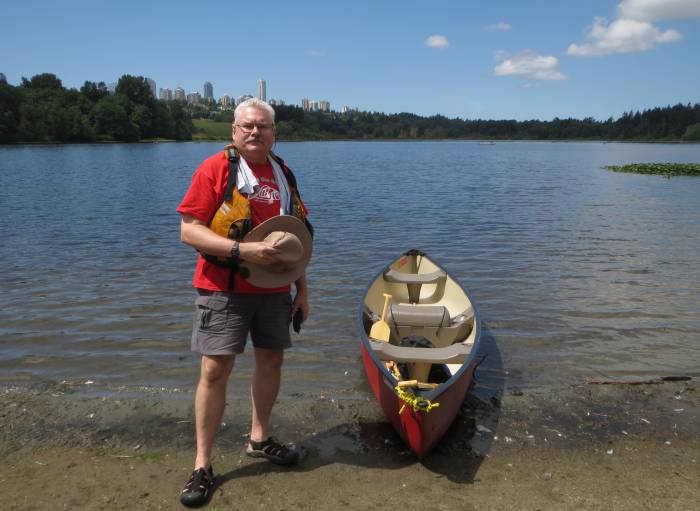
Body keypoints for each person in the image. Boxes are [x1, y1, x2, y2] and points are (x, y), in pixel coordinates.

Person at [176, 98, 312, 508]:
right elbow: (189, 231)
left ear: (274, 132)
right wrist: (241, 252)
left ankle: (260, 438)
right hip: (223, 287)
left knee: (272, 361)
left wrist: (302, 289)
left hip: (275, 291)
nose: (256, 132)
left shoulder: (284, 173)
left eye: (264, 126)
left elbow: (296, 238)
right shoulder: (216, 168)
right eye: (248, 126)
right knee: (215, 370)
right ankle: (202, 465)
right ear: (234, 132)